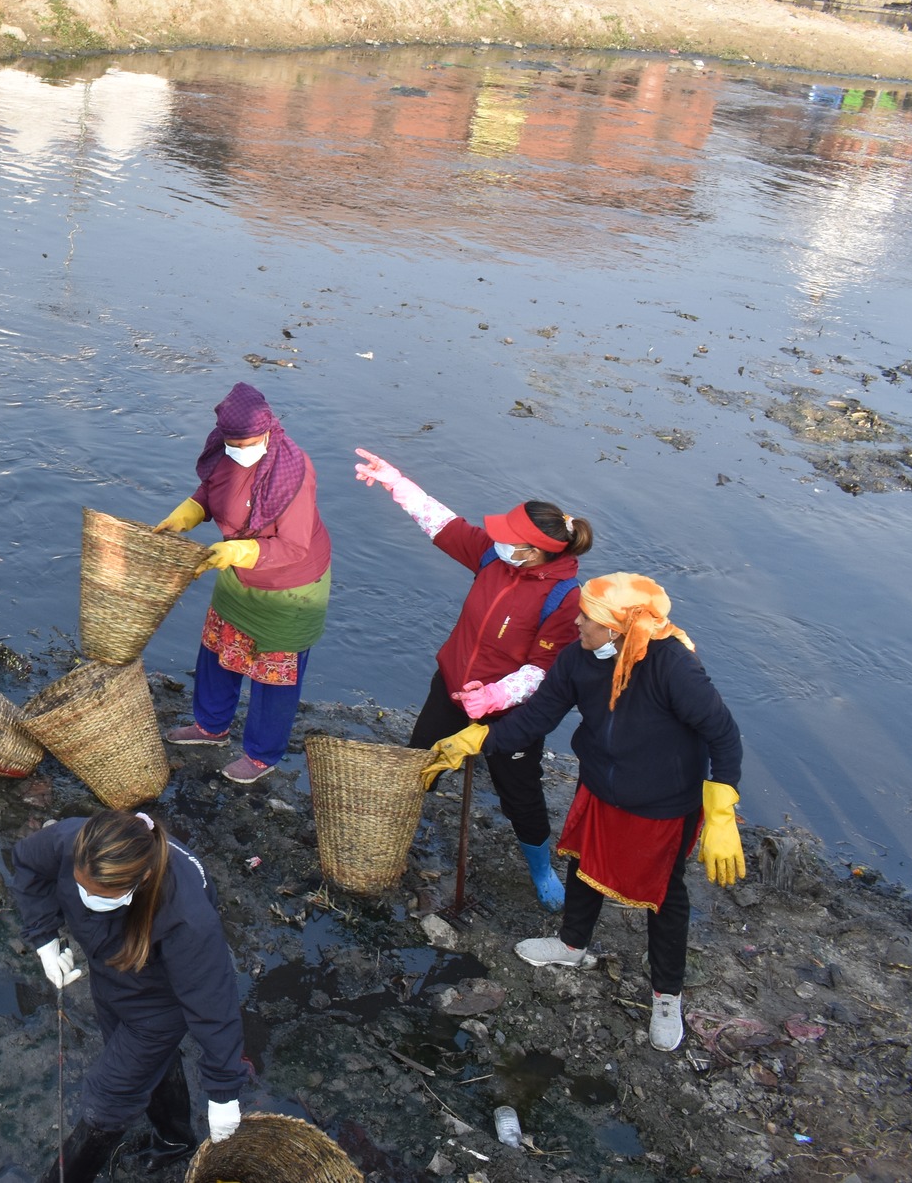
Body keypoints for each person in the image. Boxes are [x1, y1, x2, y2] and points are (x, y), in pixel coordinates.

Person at [421, 573, 745, 1054]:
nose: (576, 622)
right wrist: (479, 739)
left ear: (616, 627)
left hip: (663, 799)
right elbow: (538, 716)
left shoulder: (673, 666)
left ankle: (666, 996)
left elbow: (723, 734)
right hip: (599, 784)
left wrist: (720, 812)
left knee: (664, 896)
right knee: (583, 864)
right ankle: (572, 945)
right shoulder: (577, 658)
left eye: (587, 617)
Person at [351, 449, 592, 909]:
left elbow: (542, 671)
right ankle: (391, 833)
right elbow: (443, 524)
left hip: (509, 715)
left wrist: (495, 696)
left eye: (508, 539)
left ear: (534, 551)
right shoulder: (491, 558)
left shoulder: (565, 599)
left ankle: (541, 870)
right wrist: (395, 481)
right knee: (419, 764)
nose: (497, 541)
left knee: (520, 793)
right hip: (452, 688)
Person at [15, 811, 246, 1182]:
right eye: (82, 888)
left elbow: (212, 1001)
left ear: (143, 879)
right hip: (108, 974)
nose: (88, 900)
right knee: (143, 1062)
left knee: (109, 1098)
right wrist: (44, 937)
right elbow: (29, 863)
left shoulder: (187, 917)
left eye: (102, 896)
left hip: (159, 1002)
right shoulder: (74, 840)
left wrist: (224, 1090)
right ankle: (175, 1139)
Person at [157, 383, 331, 785]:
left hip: (289, 586)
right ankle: (210, 726)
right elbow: (212, 488)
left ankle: (261, 754)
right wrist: (189, 511)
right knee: (218, 650)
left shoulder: (293, 471)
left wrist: (237, 551)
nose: (239, 449)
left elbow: (293, 545)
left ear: (267, 432)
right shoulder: (223, 451)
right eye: (233, 443)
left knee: (274, 674)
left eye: (247, 444)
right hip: (239, 574)